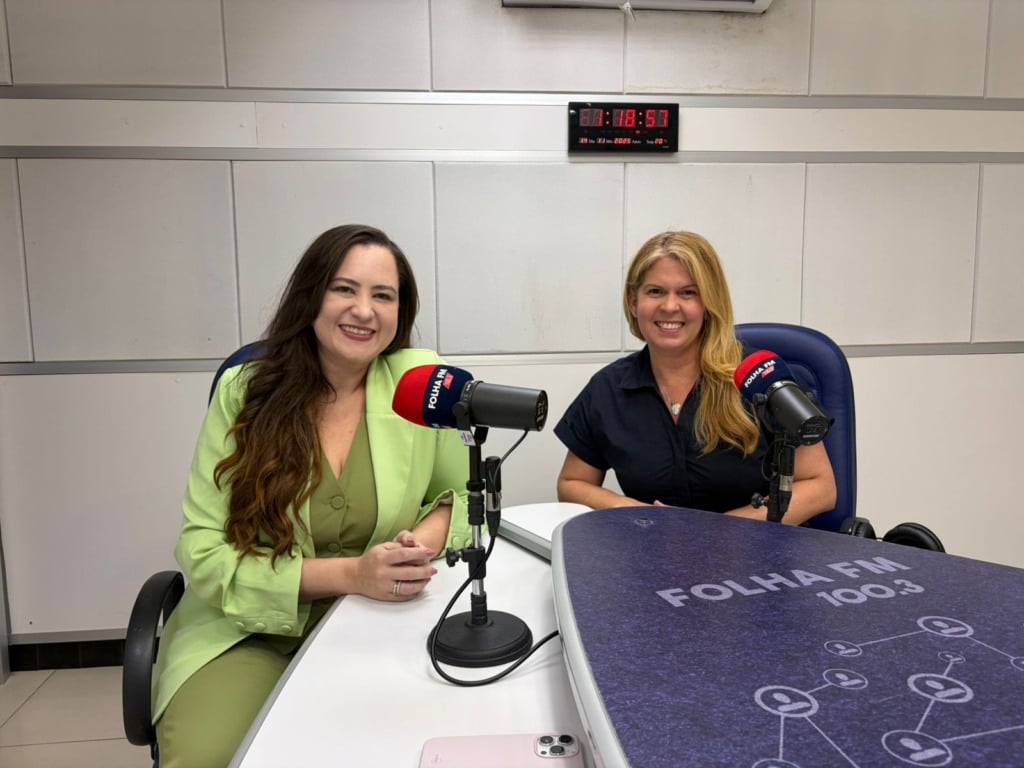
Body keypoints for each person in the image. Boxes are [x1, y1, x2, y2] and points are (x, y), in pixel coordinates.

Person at [152, 224, 472, 768]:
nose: (364, 310)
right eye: (345, 289)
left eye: (383, 295)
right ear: (311, 295)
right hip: (243, 632)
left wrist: (411, 549)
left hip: (380, 626)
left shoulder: (420, 384)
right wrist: (354, 575)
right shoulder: (246, 391)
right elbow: (202, 549)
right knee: (218, 757)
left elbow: (460, 498)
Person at [554, 230, 836, 524]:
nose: (670, 306)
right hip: (651, 555)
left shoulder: (759, 379)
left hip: (753, 555)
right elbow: (572, 483)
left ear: (709, 303)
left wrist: (712, 532)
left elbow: (821, 487)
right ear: (633, 302)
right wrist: (633, 512)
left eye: (688, 292)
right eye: (655, 291)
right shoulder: (608, 389)